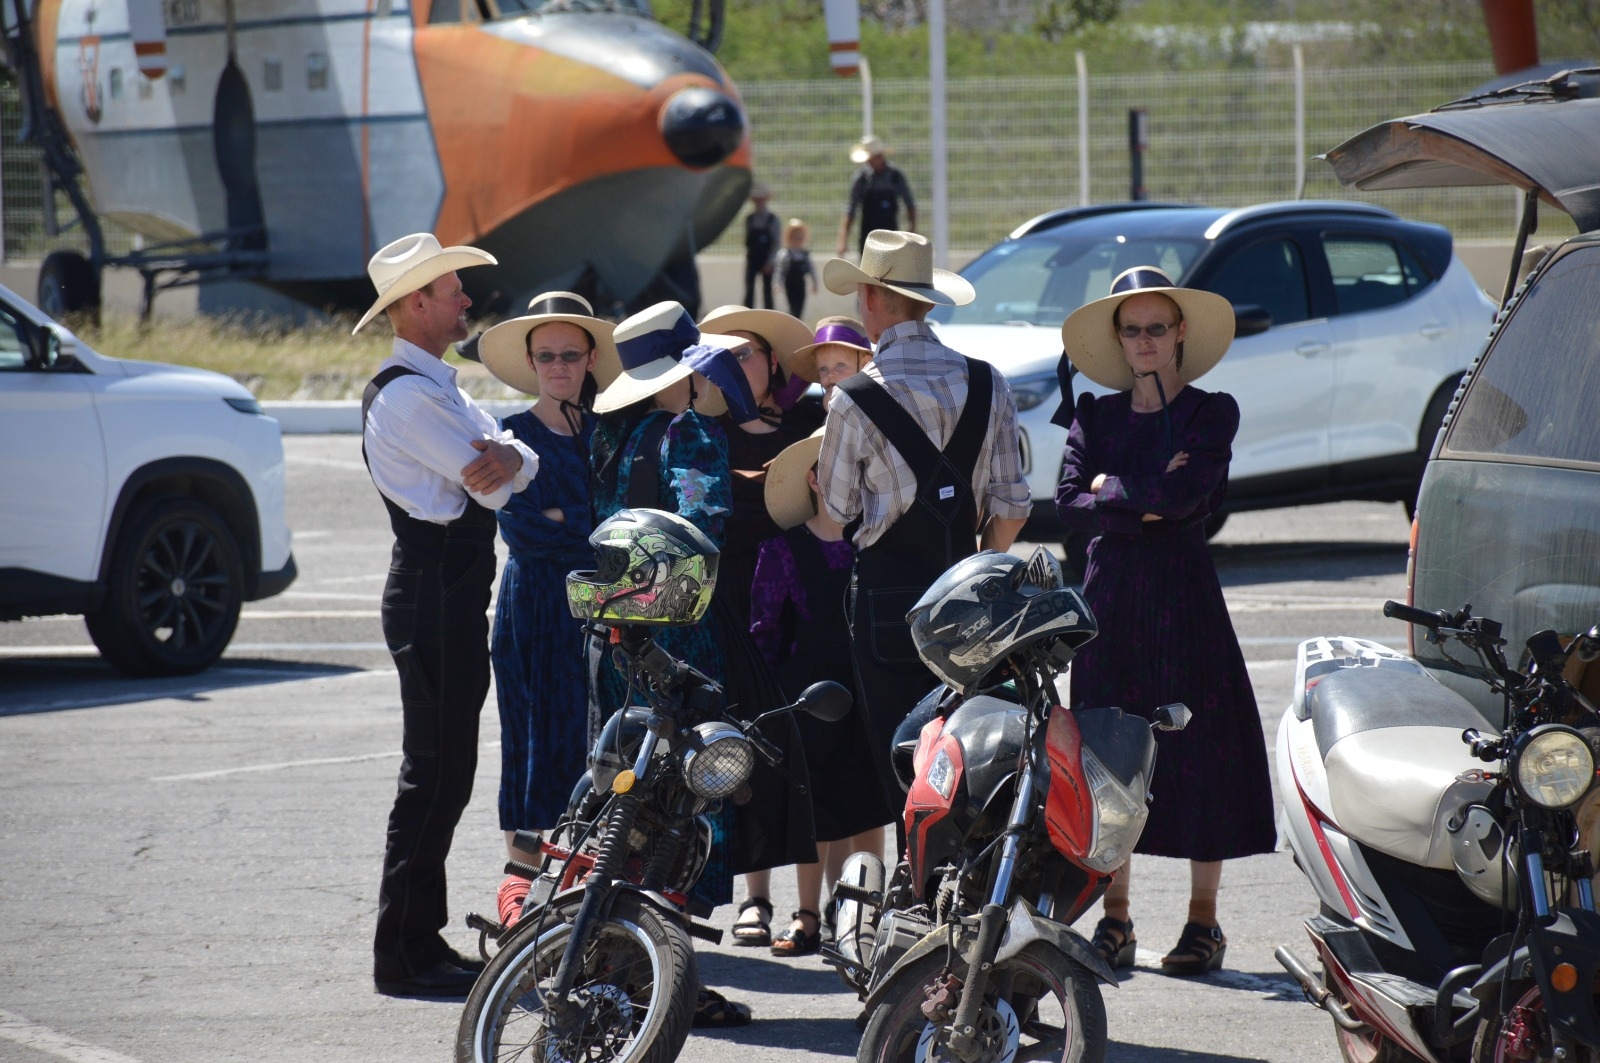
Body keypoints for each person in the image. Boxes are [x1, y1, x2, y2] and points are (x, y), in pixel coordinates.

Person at [1054, 266, 1276, 976]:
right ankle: (1114, 919)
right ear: (1118, 339)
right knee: (1107, 754)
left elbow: (1184, 499)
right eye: (1132, 329)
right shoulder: (1094, 415)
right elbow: (1065, 502)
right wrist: (1140, 497)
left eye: (1157, 326)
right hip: (1111, 599)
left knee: (1200, 752)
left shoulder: (1214, 411)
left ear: (1180, 331)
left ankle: (1203, 924)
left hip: (1184, 597)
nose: (1144, 339)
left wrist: (1111, 489)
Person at [354, 233, 540, 999]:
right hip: (433, 590)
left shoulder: (439, 387)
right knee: (434, 771)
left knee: (447, 770)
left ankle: (418, 939)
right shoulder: (405, 396)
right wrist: (510, 461)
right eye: (453, 289)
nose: (466, 299)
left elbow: (516, 456)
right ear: (413, 305)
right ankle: (403, 950)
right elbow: (498, 484)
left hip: (451, 588)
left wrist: (513, 457)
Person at [817, 229, 1032, 836]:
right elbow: (1013, 507)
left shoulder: (852, 398)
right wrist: (980, 562)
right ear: (924, 299)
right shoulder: (989, 382)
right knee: (972, 752)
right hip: (970, 593)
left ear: (872, 300)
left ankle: (912, 901)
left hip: (887, 599)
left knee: (902, 762)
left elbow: (834, 517)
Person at [587, 302, 758, 1029]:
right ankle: (663, 973)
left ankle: (613, 966)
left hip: (618, 631)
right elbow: (705, 529)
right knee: (686, 803)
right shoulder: (692, 436)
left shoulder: (614, 436)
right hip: (682, 635)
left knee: (625, 794)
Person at [476, 292, 621, 866]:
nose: (558, 366)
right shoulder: (508, 435)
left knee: (600, 748)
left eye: (569, 354)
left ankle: (587, 900)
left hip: (605, 608)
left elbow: (616, 521)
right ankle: (525, 888)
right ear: (531, 363)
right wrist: (591, 525)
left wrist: (574, 518)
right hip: (536, 608)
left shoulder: (608, 432)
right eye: (545, 356)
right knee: (534, 740)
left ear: (589, 358)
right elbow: (523, 529)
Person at [696, 305, 821, 948]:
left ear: (774, 361)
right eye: (722, 355)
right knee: (741, 746)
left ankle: (816, 906)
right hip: (732, 597)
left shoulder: (811, 419)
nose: (735, 365)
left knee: (806, 747)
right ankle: (756, 899)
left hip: (808, 601)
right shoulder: (703, 432)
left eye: (746, 352)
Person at [748, 430, 885, 956]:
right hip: (806, 696)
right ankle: (807, 914)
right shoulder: (780, 549)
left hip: (867, 691)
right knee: (814, 805)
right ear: (811, 477)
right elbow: (764, 634)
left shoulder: (873, 546)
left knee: (869, 805)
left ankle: (866, 914)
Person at [835, 137, 917, 258]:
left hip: (892, 236)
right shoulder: (861, 179)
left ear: (879, 156)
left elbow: (910, 205)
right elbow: (851, 210)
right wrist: (842, 240)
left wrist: (912, 230)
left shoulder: (895, 176)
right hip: (868, 237)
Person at [782, 316, 873, 410]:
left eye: (840, 365)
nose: (830, 374)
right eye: (823, 369)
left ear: (865, 365)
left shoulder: (875, 413)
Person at [743, 183, 781, 310]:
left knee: (767, 291)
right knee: (749, 290)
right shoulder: (750, 219)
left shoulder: (772, 219)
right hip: (752, 259)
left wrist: (770, 262)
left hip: (766, 259)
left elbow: (776, 242)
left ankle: (769, 315)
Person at [775, 218, 818, 320]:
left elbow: (812, 270)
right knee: (792, 307)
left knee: (800, 306)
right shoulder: (784, 254)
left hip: (800, 284)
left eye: (800, 237)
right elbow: (779, 270)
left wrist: (815, 283)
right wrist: (777, 284)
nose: (798, 240)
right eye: (795, 237)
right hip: (790, 285)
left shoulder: (805, 254)